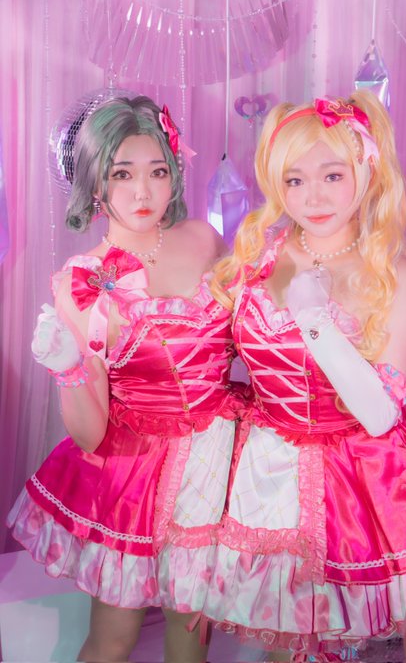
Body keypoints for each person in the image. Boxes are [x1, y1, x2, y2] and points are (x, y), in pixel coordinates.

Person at [204, 90, 406, 661]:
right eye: (294, 180)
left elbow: (380, 414)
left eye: (332, 175)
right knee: (281, 642)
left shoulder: (399, 278)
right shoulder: (255, 258)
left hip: (353, 483)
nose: (312, 197)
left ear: (368, 171)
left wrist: (316, 323)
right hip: (261, 474)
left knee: (329, 642)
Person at [7, 96, 244, 663]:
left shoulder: (204, 239)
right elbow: (90, 435)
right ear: (95, 182)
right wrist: (68, 368)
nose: (143, 192)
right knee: (114, 638)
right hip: (135, 476)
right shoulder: (82, 281)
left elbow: (248, 337)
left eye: (157, 172)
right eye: (122, 173)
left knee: (192, 631)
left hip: (221, 458)